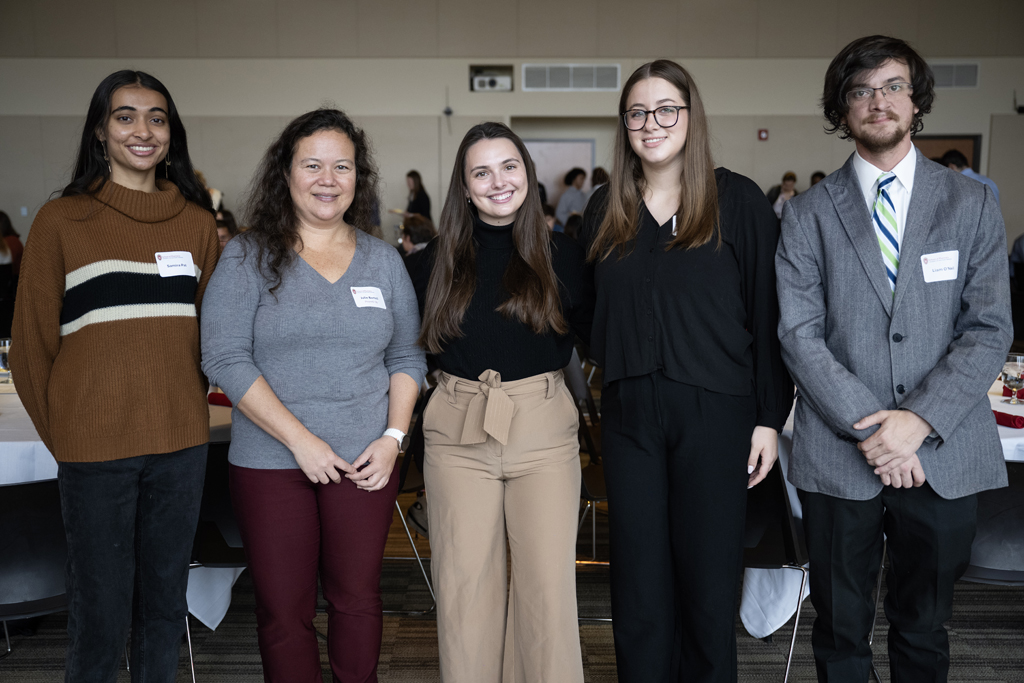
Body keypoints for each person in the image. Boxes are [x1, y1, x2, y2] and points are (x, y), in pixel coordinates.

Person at [775, 35, 1011, 682]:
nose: (877, 101)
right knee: (841, 630)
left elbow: (989, 327)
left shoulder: (972, 203)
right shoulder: (808, 215)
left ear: (916, 100)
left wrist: (917, 421)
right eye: (860, 90)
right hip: (839, 450)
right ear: (842, 108)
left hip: (943, 449)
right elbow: (798, 332)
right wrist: (877, 427)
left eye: (893, 86)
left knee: (925, 625)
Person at [580, 59, 793, 682]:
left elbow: (767, 314)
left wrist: (767, 420)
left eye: (666, 108)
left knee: (706, 581)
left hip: (716, 412)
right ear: (625, 125)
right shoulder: (605, 208)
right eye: (638, 112)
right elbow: (590, 310)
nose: (652, 123)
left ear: (690, 116)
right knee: (639, 583)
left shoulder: (738, 200)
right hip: (630, 417)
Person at [201, 109, 426, 683]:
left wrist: (394, 440)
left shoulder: (383, 261)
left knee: (357, 599)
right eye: (313, 165)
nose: (328, 179)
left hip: (365, 463)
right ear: (286, 173)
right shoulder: (247, 257)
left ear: (358, 177)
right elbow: (225, 357)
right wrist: (301, 442)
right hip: (272, 461)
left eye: (342, 166)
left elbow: (406, 357)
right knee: (284, 612)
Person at [10, 69, 218, 682]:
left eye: (157, 117)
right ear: (101, 131)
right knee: (99, 616)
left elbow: (214, 338)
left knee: (162, 611)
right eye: (125, 116)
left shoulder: (196, 223)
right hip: (93, 453)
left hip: (180, 448)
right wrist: (71, 439)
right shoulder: (62, 221)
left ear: (171, 132)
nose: (142, 130)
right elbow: (29, 350)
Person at [410, 121, 593, 683]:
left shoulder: (568, 259)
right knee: (464, 589)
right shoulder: (427, 264)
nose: (497, 182)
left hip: (542, 428)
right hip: (457, 431)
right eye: (481, 172)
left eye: (509, 167)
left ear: (528, 175)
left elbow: (604, 342)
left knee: (547, 591)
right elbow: (402, 356)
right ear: (464, 187)